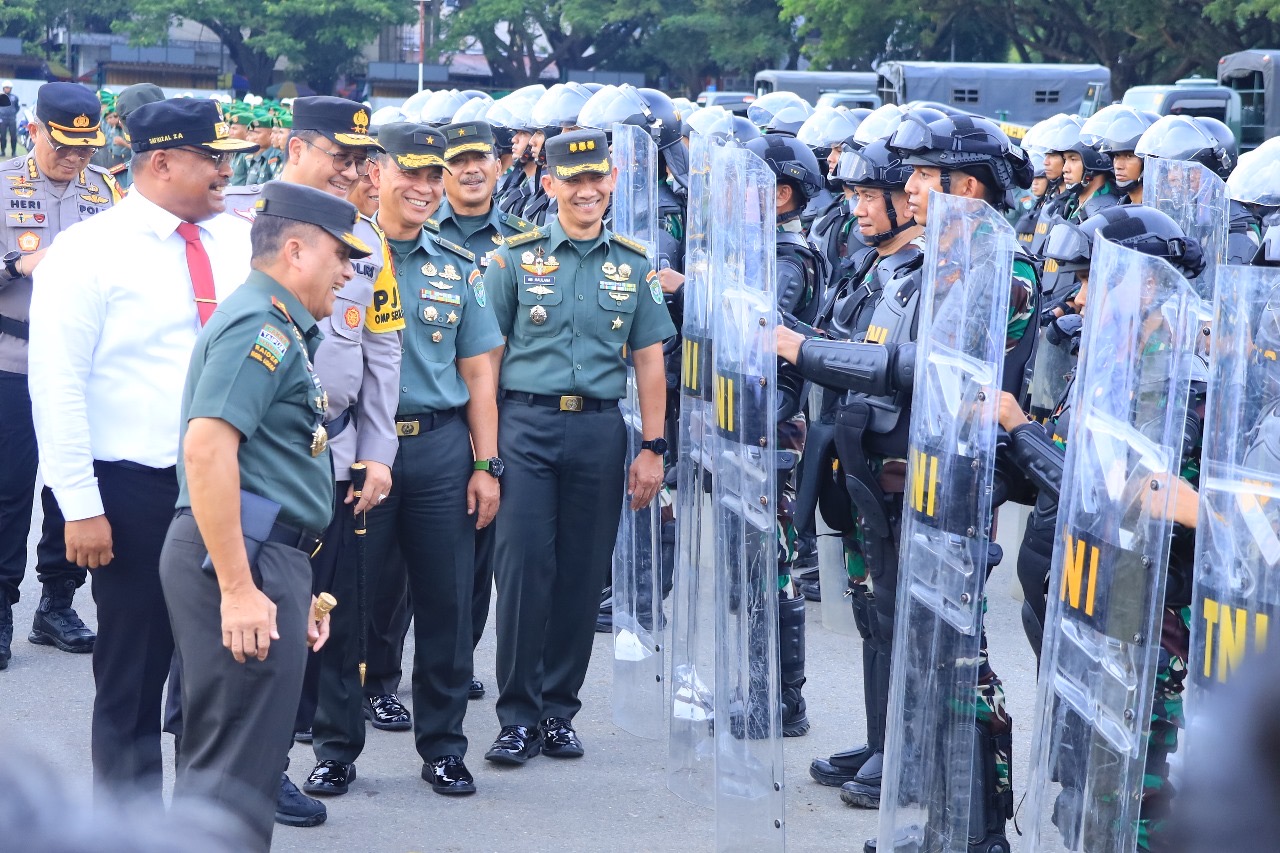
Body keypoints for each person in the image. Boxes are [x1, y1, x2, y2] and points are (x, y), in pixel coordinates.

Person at [778, 112, 1037, 850]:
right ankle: (945, 820)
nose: (911, 189)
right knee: (913, 646)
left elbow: (939, 370)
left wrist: (808, 350)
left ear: (970, 185)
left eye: (925, 176)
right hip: (900, 483)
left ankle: (976, 829)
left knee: (958, 666)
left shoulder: (1001, 266)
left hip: (954, 493)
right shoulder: (945, 259)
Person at [27, 97, 256, 796]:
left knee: (226, 676)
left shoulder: (239, 243)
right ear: (160, 162)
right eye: (212, 160)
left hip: (233, 486)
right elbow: (58, 386)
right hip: (135, 489)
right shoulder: (89, 252)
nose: (226, 173)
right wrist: (79, 506)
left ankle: (205, 826)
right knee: (131, 678)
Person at [160, 180, 370, 851]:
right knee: (231, 771)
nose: (347, 272)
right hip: (240, 554)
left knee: (237, 761)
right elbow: (208, 447)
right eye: (342, 256)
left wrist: (293, 586)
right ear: (299, 251)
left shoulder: (276, 324)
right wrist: (240, 587)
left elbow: (268, 463)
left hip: (262, 550)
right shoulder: (261, 326)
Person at [217, 94, 401, 827]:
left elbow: (383, 352)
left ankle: (273, 762)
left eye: (363, 160)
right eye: (341, 156)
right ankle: (225, 761)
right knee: (235, 600)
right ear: (296, 149)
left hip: (333, 448)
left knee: (306, 613)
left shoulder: (369, 241)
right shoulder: (240, 223)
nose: (355, 171)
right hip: (252, 445)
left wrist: (378, 450)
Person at [305, 122, 501, 798]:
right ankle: (336, 746)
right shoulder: (345, 251)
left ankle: (444, 745)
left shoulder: (456, 264)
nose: (424, 187)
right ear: (378, 173)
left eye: (433, 175)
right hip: (358, 445)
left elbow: (479, 373)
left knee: (446, 600)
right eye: (411, 173)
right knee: (348, 595)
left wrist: (487, 463)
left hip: (440, 447)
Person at [481, 128, 675, 764]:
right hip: (525, 427)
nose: (587, 191)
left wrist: (654, 445)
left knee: (581, 575)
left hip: (598, 430)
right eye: (573, 180)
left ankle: (558, 710)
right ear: (549, 184)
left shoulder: (634, 263)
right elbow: (489, 358)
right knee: (521, 570)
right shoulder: (513, 259)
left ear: (612, 181)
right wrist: (483, 452)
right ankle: (516, 715)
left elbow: (649, 362)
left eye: (597, 180)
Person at [791, 132, 925, 795]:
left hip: (902, 467)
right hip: (857, 459)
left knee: (900, 611)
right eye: (852, 195)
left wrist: (803, 350)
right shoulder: (873, 267)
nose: (859, 209)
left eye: (870, 194)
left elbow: (895, 371)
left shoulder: (929, 271)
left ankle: (902, 748)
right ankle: (878, 739)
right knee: (872, 606)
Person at [0, 83, 117, 671]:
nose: (74, 159)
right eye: (63, 146)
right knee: (10, 487)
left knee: (70, 481)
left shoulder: (105, 191)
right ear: (35, 131)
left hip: (80, 365)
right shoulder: (2, 185)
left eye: (85, 148)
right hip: (13, 360)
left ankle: (57, 603)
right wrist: (19, 263)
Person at [429, 119, 534, 700]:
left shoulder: (523, 241)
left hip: (497, 413)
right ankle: (381, 673)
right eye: (457, 160)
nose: (471, 169)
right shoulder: (413, 232)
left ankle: (456, 662)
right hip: (430, 411)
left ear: (501, 164)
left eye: (482, 158)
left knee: (478, 545)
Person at [0, 82, 18, 158]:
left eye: (9, 88)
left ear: (11, 88)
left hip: (12, 119)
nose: (7, 89)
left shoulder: (15, 97)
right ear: (3, 88)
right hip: (2, 119)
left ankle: (13, 152)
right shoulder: (1, 96)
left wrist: (13, 113)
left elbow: (17, 107)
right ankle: (2, 151)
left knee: (13, 136)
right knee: (2, 136)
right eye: (6, 87)